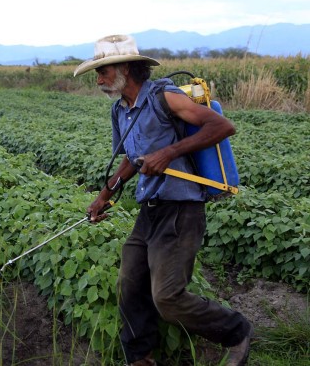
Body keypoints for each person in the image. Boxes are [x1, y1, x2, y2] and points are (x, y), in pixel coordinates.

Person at [74, 35, 253, 366]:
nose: (99, 80)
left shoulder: (164, 97)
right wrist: (104, 196)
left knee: (167, 298)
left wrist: (169, 153)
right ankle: (141, 357)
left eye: (104, 71)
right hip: (150, 209)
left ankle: (237, 331)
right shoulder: (121, 111)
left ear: (126, 68)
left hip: (180, 208)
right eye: (97, 74)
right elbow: (130, 159)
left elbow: (222, 126)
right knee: (129, 283)